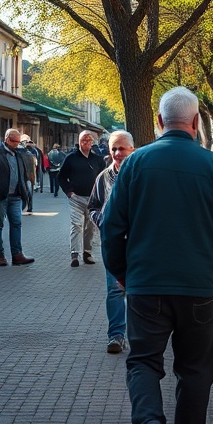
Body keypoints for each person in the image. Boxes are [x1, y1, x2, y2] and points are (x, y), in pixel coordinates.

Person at [102, 87, 213, 424]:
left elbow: (110, 227)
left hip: (146, 287)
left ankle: (150, 423)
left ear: (158, 122)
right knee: (196, 371)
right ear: (197, 122)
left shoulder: (135, 163)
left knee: (143, 361)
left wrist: (122, 272)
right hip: (199, 289)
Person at [87, 129, 134, 354]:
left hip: (138, 244)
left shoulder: (142, 175)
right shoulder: (103, 176)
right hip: (113, 245)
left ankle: (139, 335)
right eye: (113, 148)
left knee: (138, 290)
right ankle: (115, 335)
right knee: (115, 290)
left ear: (132, 149)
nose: (117, 153)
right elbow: (93, 206)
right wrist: (104, 223)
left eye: (121, 148)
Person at [0, 128, 36, 266]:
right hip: (1, 196)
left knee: (16, 224)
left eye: (19, 142)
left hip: (16, 196)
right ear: (7, 139)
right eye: (14, 142)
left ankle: (17, 254)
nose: (17, 144)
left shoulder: (19, 153)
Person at [57, 130, 105, 267]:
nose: (87, 142)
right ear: (79, 142)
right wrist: (69, 192)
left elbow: (103, 178)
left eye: (89, 140)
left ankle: (87, 253)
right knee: (77, 224)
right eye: (84, 140)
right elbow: (61, 176)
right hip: (76, 198)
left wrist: (102, 194)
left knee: (91, 227)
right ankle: (74, 254)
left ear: (92, 142)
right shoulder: (71, 158)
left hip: (93, 199)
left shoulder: (97, 159)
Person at [19, 134, 38, 214]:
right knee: (29, 191)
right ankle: (29, 206)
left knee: (27, 191)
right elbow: (36, 164)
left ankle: (27, 206)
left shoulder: (18, 153)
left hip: (25, 175)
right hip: (30, 175)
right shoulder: (32, 154)